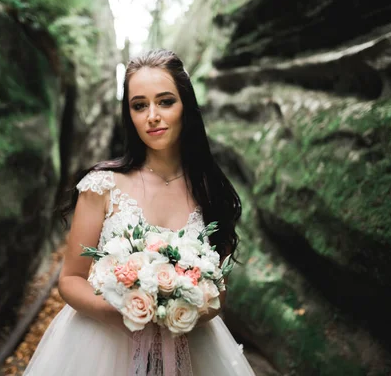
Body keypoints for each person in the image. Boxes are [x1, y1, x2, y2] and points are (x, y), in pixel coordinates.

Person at [23, 49, 255, 375]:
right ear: (129, 115)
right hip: (103, 345)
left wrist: (180, 312)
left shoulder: (210, 191)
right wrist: (127, 314)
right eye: (139, 105)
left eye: (165, 102)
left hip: (191, 349)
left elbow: (219, 291)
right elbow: (71, 279)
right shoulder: (101, 185)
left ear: (185, 106)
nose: (152, 116)